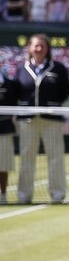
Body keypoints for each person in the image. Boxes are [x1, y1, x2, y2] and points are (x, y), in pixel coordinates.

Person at [15, 34, 69, 204]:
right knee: (26, 158)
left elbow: (65, 91)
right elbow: (18, 90)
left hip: (51, 119)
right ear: (30, 48)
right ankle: (24, 195)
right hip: (27, 120)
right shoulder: (21, 68)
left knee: (55, 157)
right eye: (35, 46)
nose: (39, 49)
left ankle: (57, 194)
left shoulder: (58, 68)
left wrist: (51, 105)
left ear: (47, 49)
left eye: (42, 46)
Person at [0, 74, 16, 204]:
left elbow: (13, 104)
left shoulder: (9, 84)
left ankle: (3, 195)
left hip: (5, 130)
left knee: (4, 164)